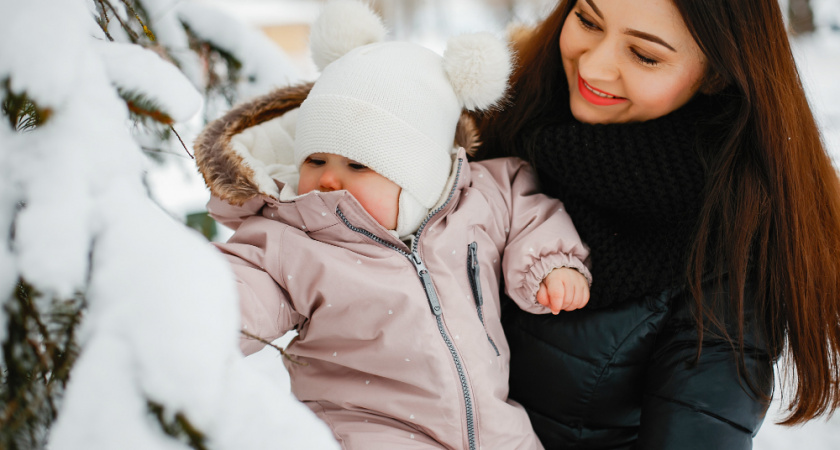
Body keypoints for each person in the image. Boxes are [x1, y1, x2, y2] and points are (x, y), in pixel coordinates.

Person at [192, 1, 591, 448]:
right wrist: (193, 318)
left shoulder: (477, 200)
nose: (327, 178)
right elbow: (241, 287)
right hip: (368, 428)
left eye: (358, 165)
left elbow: (526, 208)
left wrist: (550, 263)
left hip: (495, 427)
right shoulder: (296, 240)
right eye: (316, 159)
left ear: (419, 174)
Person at [473, 0, 840, 448]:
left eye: (645, 55)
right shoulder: (483, 120)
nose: (595, 65)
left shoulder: (728, 245)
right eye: (588, 20)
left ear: (716, 74)